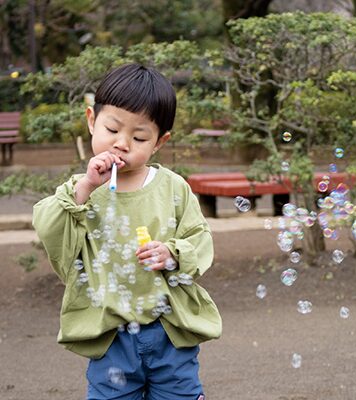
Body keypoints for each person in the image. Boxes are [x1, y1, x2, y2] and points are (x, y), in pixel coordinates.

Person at [33, 63, 221, 400]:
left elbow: (200, 240)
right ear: (92, 120)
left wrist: (173, 254)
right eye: (111, 129)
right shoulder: (81, 193)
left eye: (138, 137)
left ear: (160, 141)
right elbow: (49, 228)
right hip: (110, 337)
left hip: (170, 332)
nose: (121, 144)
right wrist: (87, 185)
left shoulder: (173, 188)